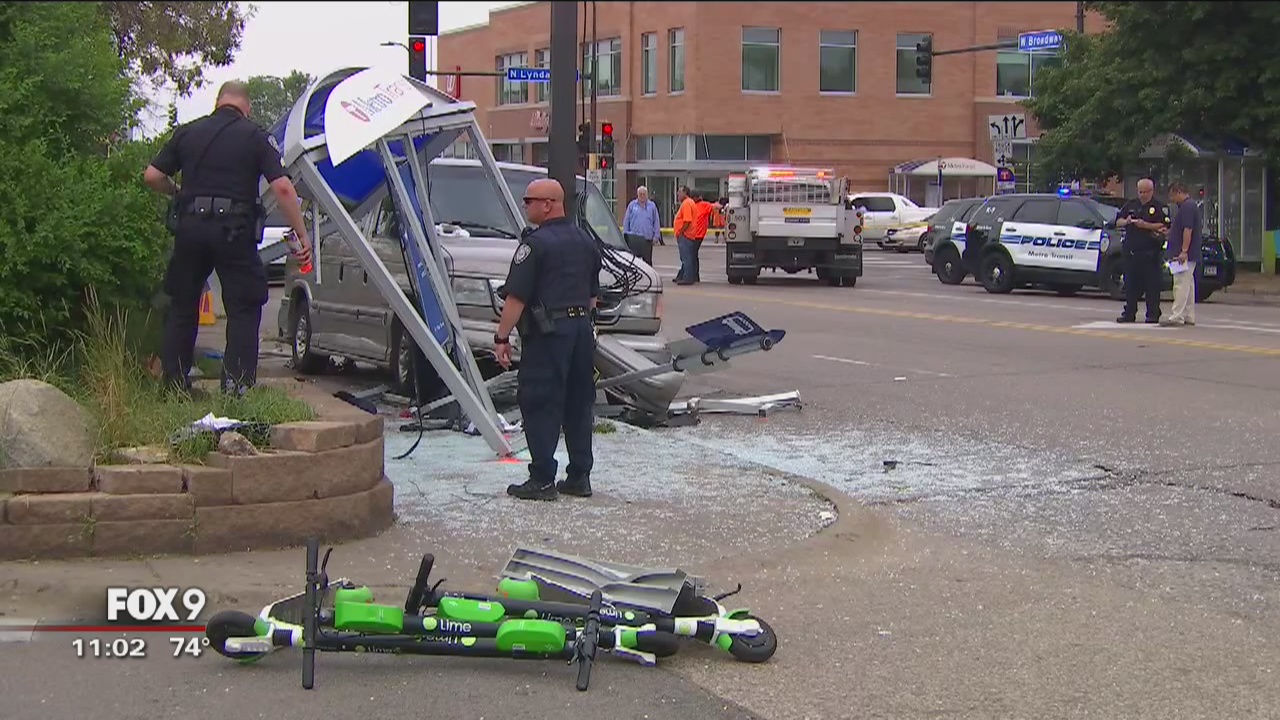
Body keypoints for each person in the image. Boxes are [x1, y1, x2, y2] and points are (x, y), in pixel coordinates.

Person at [144, 80, 311, 395]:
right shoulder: (256, 137)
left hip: (191, 229)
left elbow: (152, 175)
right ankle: (236, 387)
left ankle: (174, 386)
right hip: (234, 231)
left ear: (218, 101)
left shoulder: (188, 132)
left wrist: (178, 193)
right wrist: (301, 235)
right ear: (246, 107)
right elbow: (284, 188)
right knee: (245, 305)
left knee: (182, 304)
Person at [494, 178, 602, 501]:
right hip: (582, 330)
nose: (525, 205)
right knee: (579, 403)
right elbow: (593, 296)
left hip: (549, 334)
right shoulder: (586, 241)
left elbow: (516, 298)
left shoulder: (535, 245)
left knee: (540, 400)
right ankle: (580, 476)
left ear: (548, 204)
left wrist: (502, 338)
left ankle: (542, 477)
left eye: (529, 200)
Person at [1114, 178, 1170, 324]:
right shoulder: (1131, 205)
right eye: (1140, 192)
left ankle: (1152, 314)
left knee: (1152, 286)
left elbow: (1164, 226)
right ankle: (1129, 313)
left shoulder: (1158, 207)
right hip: (1132, 252)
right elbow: (1117, 221)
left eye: (1145, 192)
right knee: (1131, 285)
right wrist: (1126, 221)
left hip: (1150, 253)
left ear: (1152, 191)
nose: (1143, 195)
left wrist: (1145, 225)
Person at [1161, 182, 1202, 327]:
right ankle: (1188, 315)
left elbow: (1187, 229)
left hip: (1183, 254)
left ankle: (1177, 315)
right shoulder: (1190, 206)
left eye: (1172, 195)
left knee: (1180, 284)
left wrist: (1184, 251)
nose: (1172, 199)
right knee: (1188, 284)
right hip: (1188, 252)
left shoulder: (1187, 207)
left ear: (1179, 192)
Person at [622, 185, 661, 264]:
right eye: (640, 194)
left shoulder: (652, 206)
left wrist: (656, 236)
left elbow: (656, 222)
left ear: (647, 195)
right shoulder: (632, 205)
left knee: (647, 262)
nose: (642, 196)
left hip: (647, 240)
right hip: (634, 240)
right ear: (637, 195)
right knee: (633, 262)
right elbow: (626, 220)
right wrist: (625, 235)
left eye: (644, 194)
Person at [671, 186, 700, 284]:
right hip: (689, 235)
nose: (678, 194)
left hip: (686, 236)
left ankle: (687, 278)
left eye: (679, 192)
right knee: (687, 257)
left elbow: (687, 220)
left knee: (686, 258)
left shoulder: (687, 203)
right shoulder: (690, 203)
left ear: (685, 193)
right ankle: (682, 275)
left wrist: (681, 231)